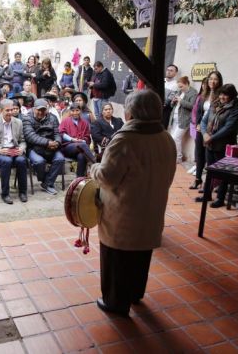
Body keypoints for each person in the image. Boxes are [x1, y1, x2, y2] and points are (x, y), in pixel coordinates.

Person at [90, 89, 176, 316]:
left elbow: (107, 177)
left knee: (117, 259)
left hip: (123, 213)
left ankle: (116, 302)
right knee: (141, 254)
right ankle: (135, 293)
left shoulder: (125, 139)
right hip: (152, 207)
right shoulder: (165, 137)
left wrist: (94, 168)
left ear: (130, 112)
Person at [199, 83, 238, 208]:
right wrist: (204, 134)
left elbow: (229, 128)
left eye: (226, 95)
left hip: (224, 145)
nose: (222, 97)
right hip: (210, 143)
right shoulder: (215, 104)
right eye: (221, 94)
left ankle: (220, 198)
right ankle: (207, 194)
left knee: (223, 173)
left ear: (232, 96)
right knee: (210, 169)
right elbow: (204, 120)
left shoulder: (237, 110)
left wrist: (211, 137)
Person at [0, 99, 28, 204]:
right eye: (7, 110)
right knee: (6, 161)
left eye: (12, 110)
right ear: (0, 110)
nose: (10, 112)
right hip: (1, 151)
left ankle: (22, 192)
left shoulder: (18, 122)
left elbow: (23, 141)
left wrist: (22, 148)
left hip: (14, 150)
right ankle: (5, 194)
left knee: (22, 161)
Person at [22, 99, 64, 195]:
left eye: (43, 110)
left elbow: (57, 133)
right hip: (34, 147)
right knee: (39, 161)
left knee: (60, 159)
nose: (41, 112)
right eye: (39, 110)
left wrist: (57, 142)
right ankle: (46, 182)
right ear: (33, 109)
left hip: (51, 147)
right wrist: (47, 143)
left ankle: (47, 184)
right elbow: (30, 136)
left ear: (47, 110)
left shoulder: (52, 118)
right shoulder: (27, 118)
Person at [191, 71, 223, 190]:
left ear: (219, 81)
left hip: (212, 131)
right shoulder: (204, 94)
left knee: (209, 156)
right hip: (201, 129)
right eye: (210, 79)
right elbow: (199, 111)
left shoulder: (220, 95)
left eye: (215, 79)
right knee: (199, 155)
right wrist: (198, 124)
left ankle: (210, 183)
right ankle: (198, 179)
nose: (212, 81)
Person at [59, 104, 96, 177]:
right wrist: (72, 139)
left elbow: (87, 137)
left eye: (77, 110)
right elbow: (61, 134)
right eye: (73, 111)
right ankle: (94, 163)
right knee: (82, 145)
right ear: (70, 112)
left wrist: (82, 140)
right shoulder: (65, 121)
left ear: (80, 111)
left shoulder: (84, 123)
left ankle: (79, 179)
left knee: (82, 156)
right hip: (67, 147)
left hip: (81, 149)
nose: (75, 112)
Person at [167, 76, 198, 163]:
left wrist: (181, 101)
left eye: (181, 86)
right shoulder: (180, 92)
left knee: (176, 138)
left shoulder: (193, 93)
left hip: (184, 119)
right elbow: (172, 106)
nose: (180, 88)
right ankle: (173, 156)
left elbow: (192, 106)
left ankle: (178, 158)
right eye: (179, 87)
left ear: (187, 84)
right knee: (172, 138)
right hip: (175, 118)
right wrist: (173, 102)